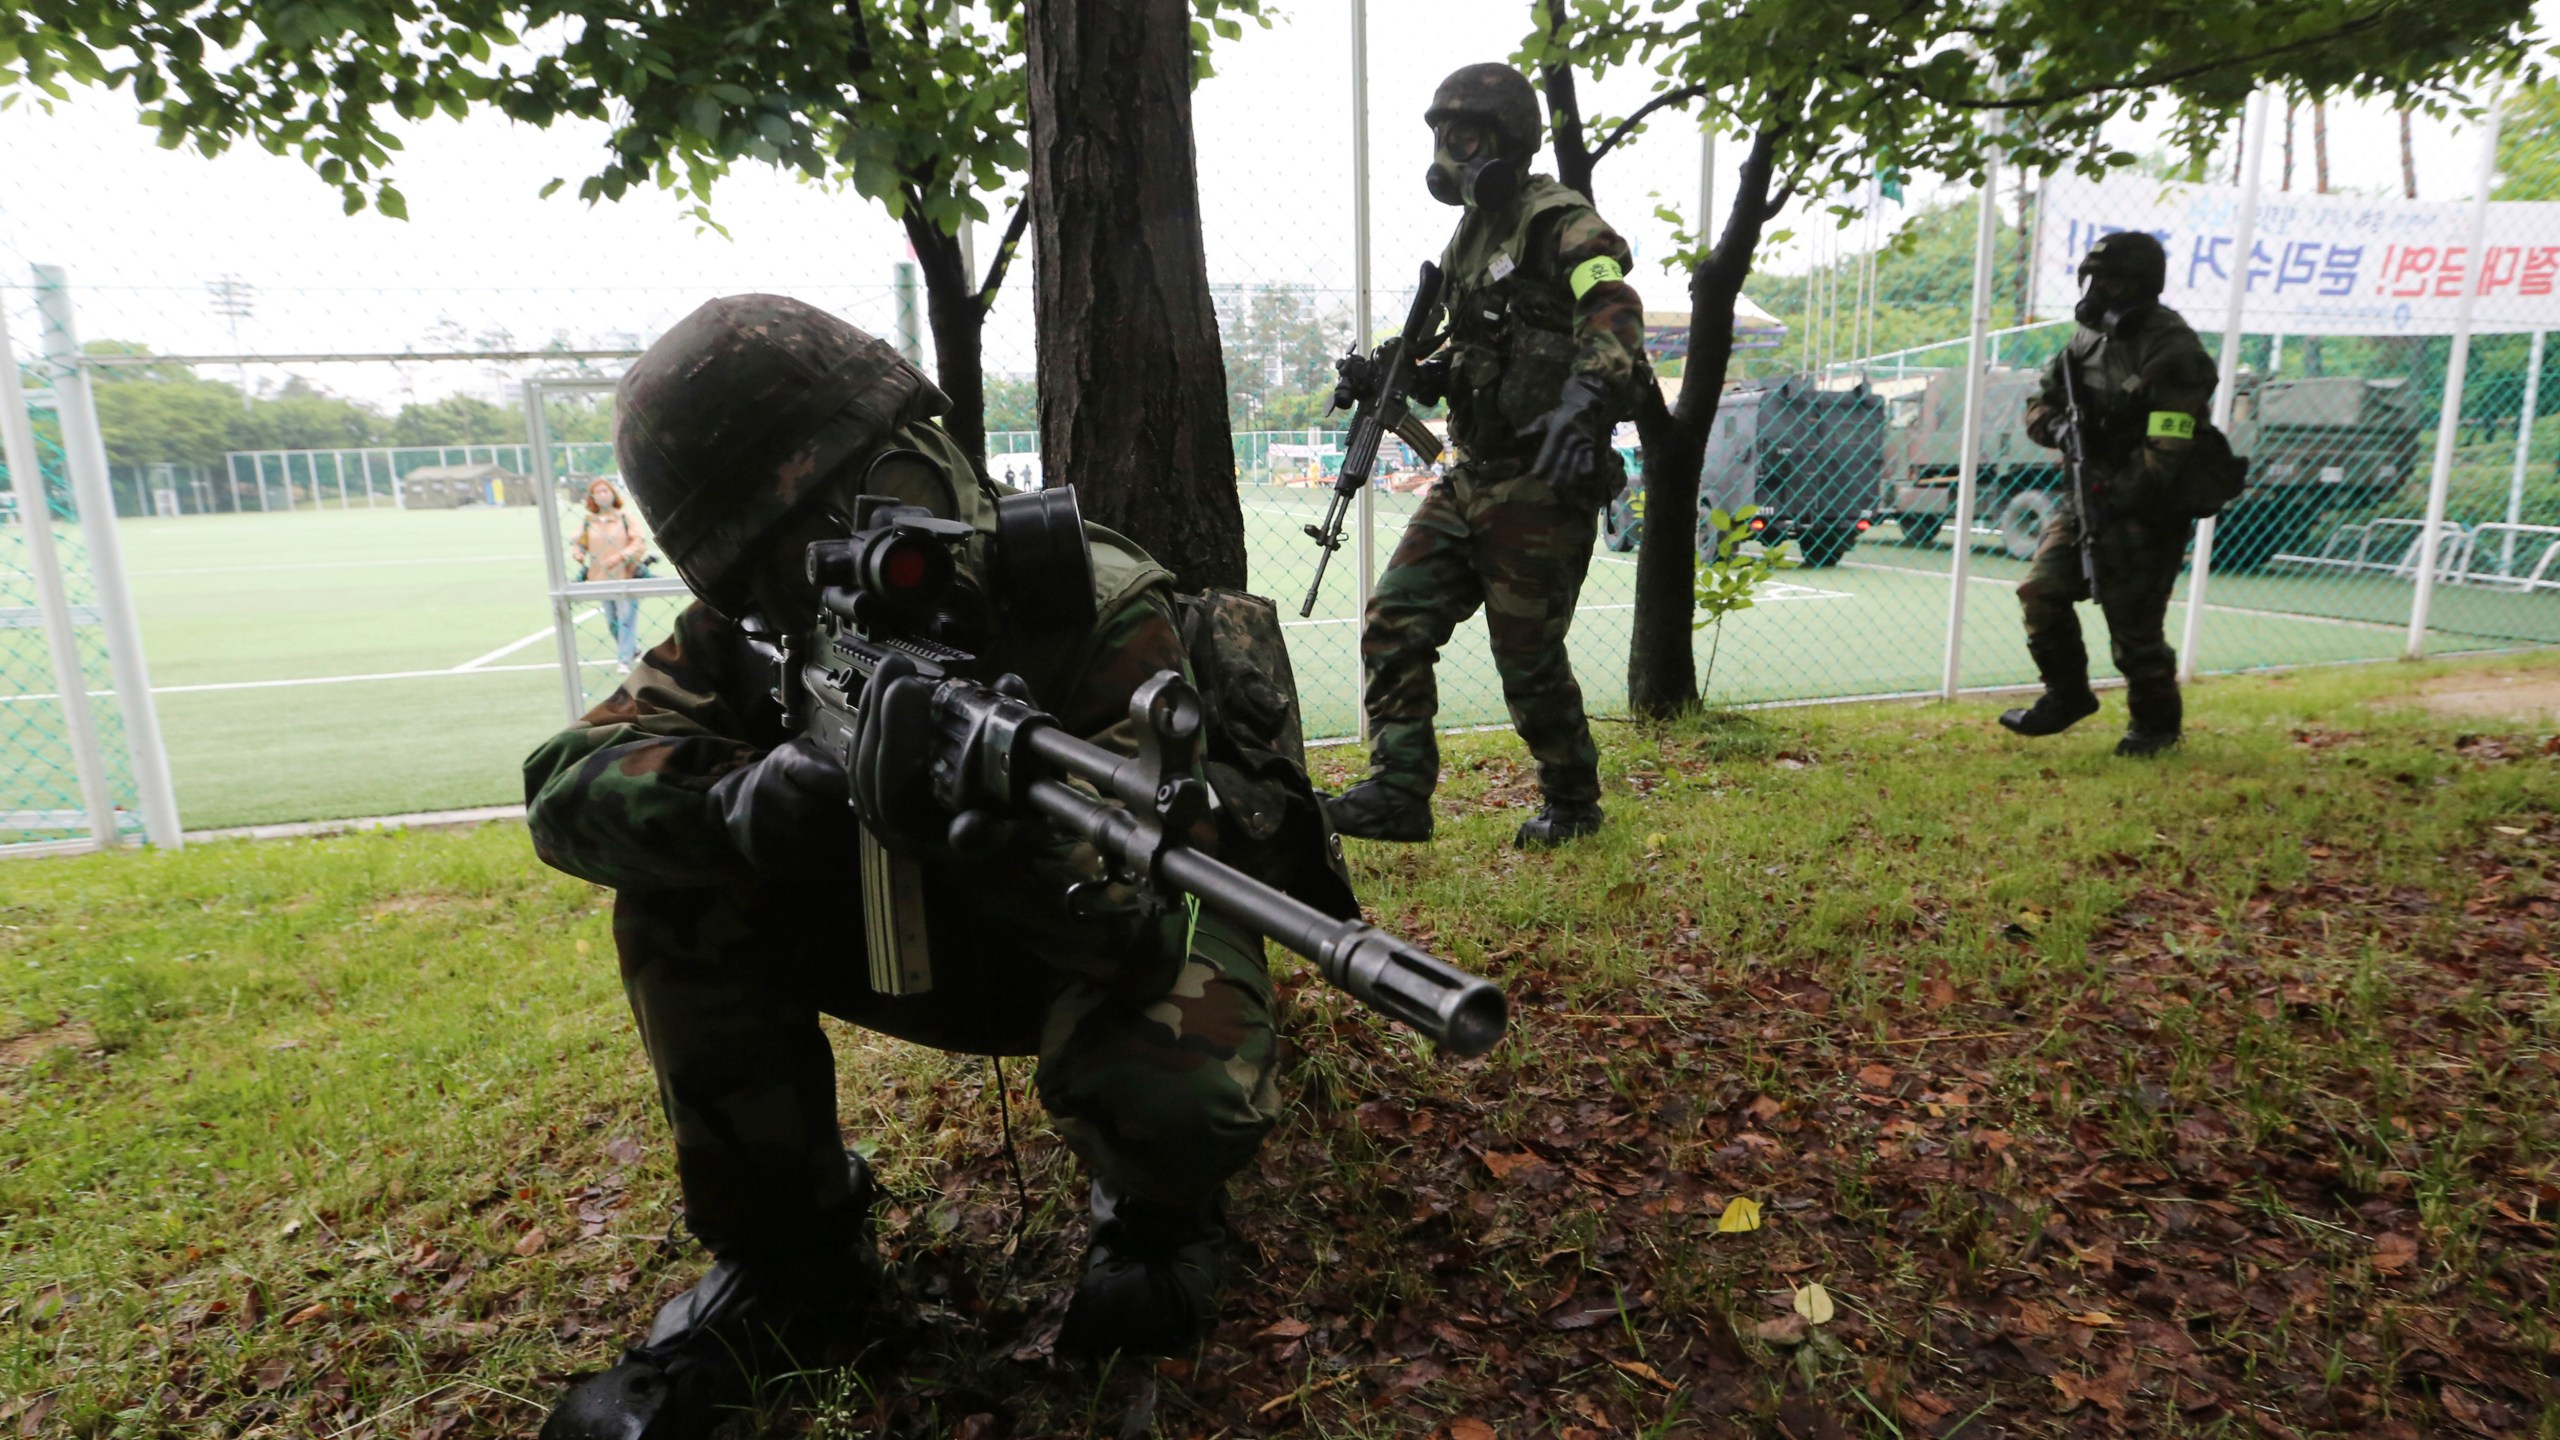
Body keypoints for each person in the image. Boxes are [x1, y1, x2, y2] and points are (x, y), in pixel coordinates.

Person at [523, 295, 1305, 1439]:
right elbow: (563, 788)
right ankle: (794, 1260)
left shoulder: (1087, 607)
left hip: (1084, 937)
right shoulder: (754, 644)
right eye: (792, 548)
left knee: (1173, 1091)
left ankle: (1155, 1207)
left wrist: (1016, 849)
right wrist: (746, 805)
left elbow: (1146, 913)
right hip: (923, 945)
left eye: (880, 489)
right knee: (673, 895)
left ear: (937, 452)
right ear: (745, 583)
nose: (862, 544)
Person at [1324, 62, 1650, 850]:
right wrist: (1403, 376)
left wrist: (1583, 400)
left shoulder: (1555, 218)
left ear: (1506, 139)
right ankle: (1400, 790)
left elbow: (1614, 301)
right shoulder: (1468, 237)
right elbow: (1471, 358)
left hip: (1541, 481)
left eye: (1462, 134)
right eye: (1440, 135)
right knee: (1395, 617)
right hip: (1472, 475)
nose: (1448, 151)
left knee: (1528, 661)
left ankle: (1573, 804)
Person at [2002, 231, 2218, 757]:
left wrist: (2120, 497)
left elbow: (2170, 444)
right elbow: (2042, 401)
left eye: (2111, 281)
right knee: (2041, 593)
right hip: (2086, 491)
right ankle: (2067, 695)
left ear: (2141, 287)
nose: (2097, 290)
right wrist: (2056, 430)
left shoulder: (2174, 350)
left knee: (2134, 629)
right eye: (2093, 279)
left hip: (2150, 507)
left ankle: (2155, 726)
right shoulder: (2085, 338)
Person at [570, 477, 650, 668]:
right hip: (601, 578)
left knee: (626, 619)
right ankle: (632, 649)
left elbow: (638, 541)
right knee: (612, 621)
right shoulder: (589, 521)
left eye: (606, 491)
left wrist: (621, 556)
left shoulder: (624, 518)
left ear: (613, 494)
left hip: (626, 575)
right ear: (592, 498)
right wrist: (578, 552)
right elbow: (579, 542)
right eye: (598, 492)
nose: (603, 495)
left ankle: (623, 660)